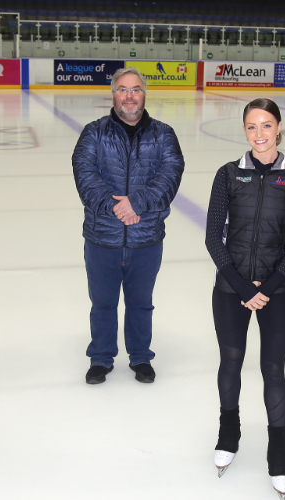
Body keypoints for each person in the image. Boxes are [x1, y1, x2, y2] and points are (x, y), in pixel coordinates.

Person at [204, 98, 285, 497]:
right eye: (251, 127)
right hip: (231, 289)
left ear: (279, 127)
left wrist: (266, 287)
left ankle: (278, 449)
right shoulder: (228, 174)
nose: (259, 134)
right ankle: (228, 432)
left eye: (266, 125)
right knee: (230, 361)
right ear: (244, 131)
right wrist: (243, 286)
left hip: (277, 291)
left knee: (273, 369)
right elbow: (214, 236)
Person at [72, 67, 184, 385]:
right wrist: (116, 208)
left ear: (144, 94)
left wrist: (137, 203)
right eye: (123, 89)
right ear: (113, 94)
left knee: (140, 303)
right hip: (102, 237)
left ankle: (140, 356)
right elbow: (85, 175)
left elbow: (170, 174)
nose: (129, 96)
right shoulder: (93, 132)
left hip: (146, 238)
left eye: (135, 89)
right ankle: (101, 357)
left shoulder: (164, 134)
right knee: (103, 303)